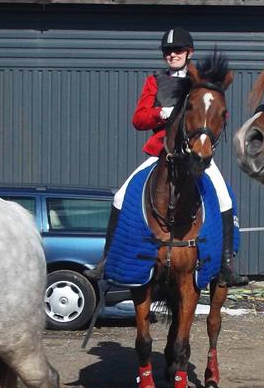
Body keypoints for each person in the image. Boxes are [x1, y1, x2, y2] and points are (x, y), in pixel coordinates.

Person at [88, 27, 245, 286]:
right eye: (168, 51)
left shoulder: (202, 80)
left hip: (196, 151)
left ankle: (226, 264)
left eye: (178, 50)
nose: (172, 55)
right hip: (162, 151)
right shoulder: (155, 81)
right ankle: (107, 258)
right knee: (121, 195)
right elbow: (138, 119)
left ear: (189, 53)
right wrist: (161, 113)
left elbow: (218, 113)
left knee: (225, 197)